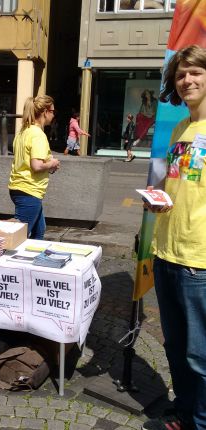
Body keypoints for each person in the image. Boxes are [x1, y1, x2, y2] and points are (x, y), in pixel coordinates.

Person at [142, 44, 206, 430]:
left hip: (199, 260)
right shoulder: (180, 128)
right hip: (166, 251)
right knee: (177, 350)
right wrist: (158, 200)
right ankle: (184, 414)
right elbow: (175, 182)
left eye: (195, 72)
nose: (187, 80)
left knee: (201, 356)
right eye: (181, 75)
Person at [8, 95, 60, 240]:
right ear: (45, 112)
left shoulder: (23, 132)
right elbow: (36, 165)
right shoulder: (38, 135)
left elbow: (27, 162)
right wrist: (53, 163)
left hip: (20, 188)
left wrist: (48, 165)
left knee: (39, 231)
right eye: (53, 111)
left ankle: (33, 259)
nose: (53, 115)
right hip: (29, 191)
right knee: (17, 237)